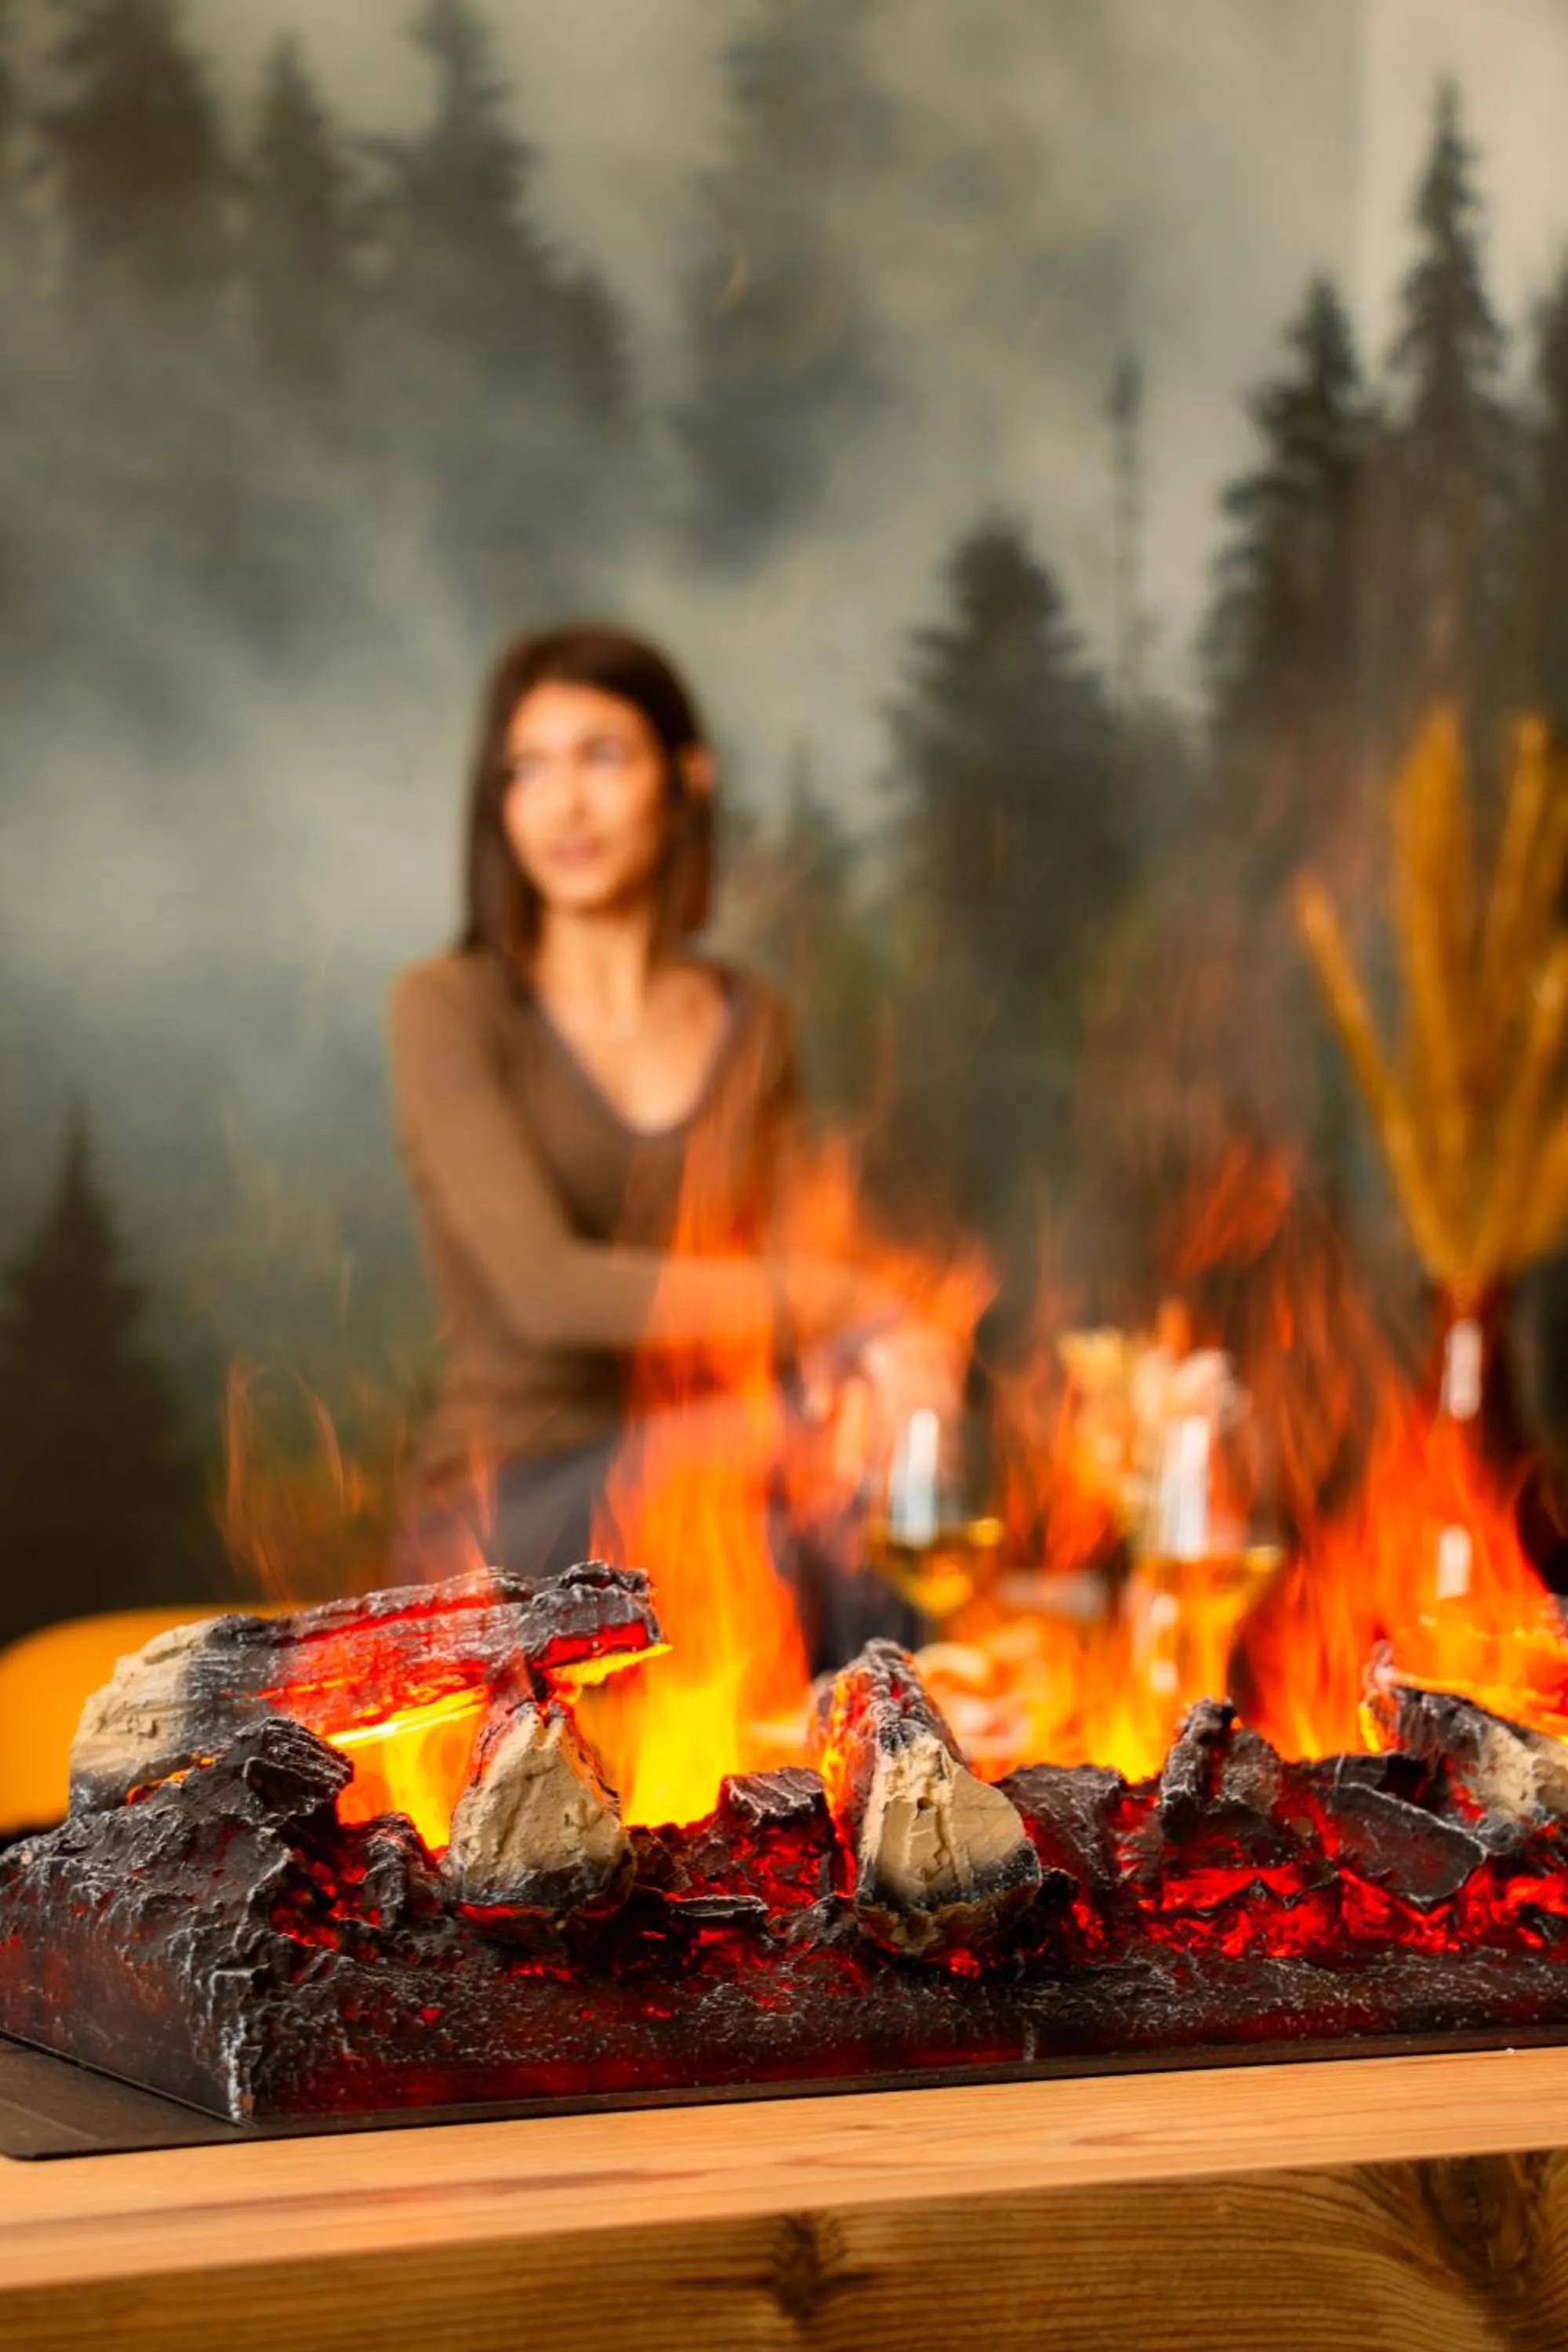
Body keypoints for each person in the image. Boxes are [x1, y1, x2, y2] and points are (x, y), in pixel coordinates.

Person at [387, 622, 958, 1634]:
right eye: (528, 769)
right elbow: (547, 1290)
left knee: (858, 1482)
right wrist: (846, 1299)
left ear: (687, 778)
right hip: (516, 1506)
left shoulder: (751, 1020)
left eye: (603, 757)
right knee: (801, 1484)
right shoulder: (449, 1008)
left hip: (727, 1479)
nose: (564, 803)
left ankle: (920, 1714)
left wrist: (877, 1366)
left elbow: (791, 1267)